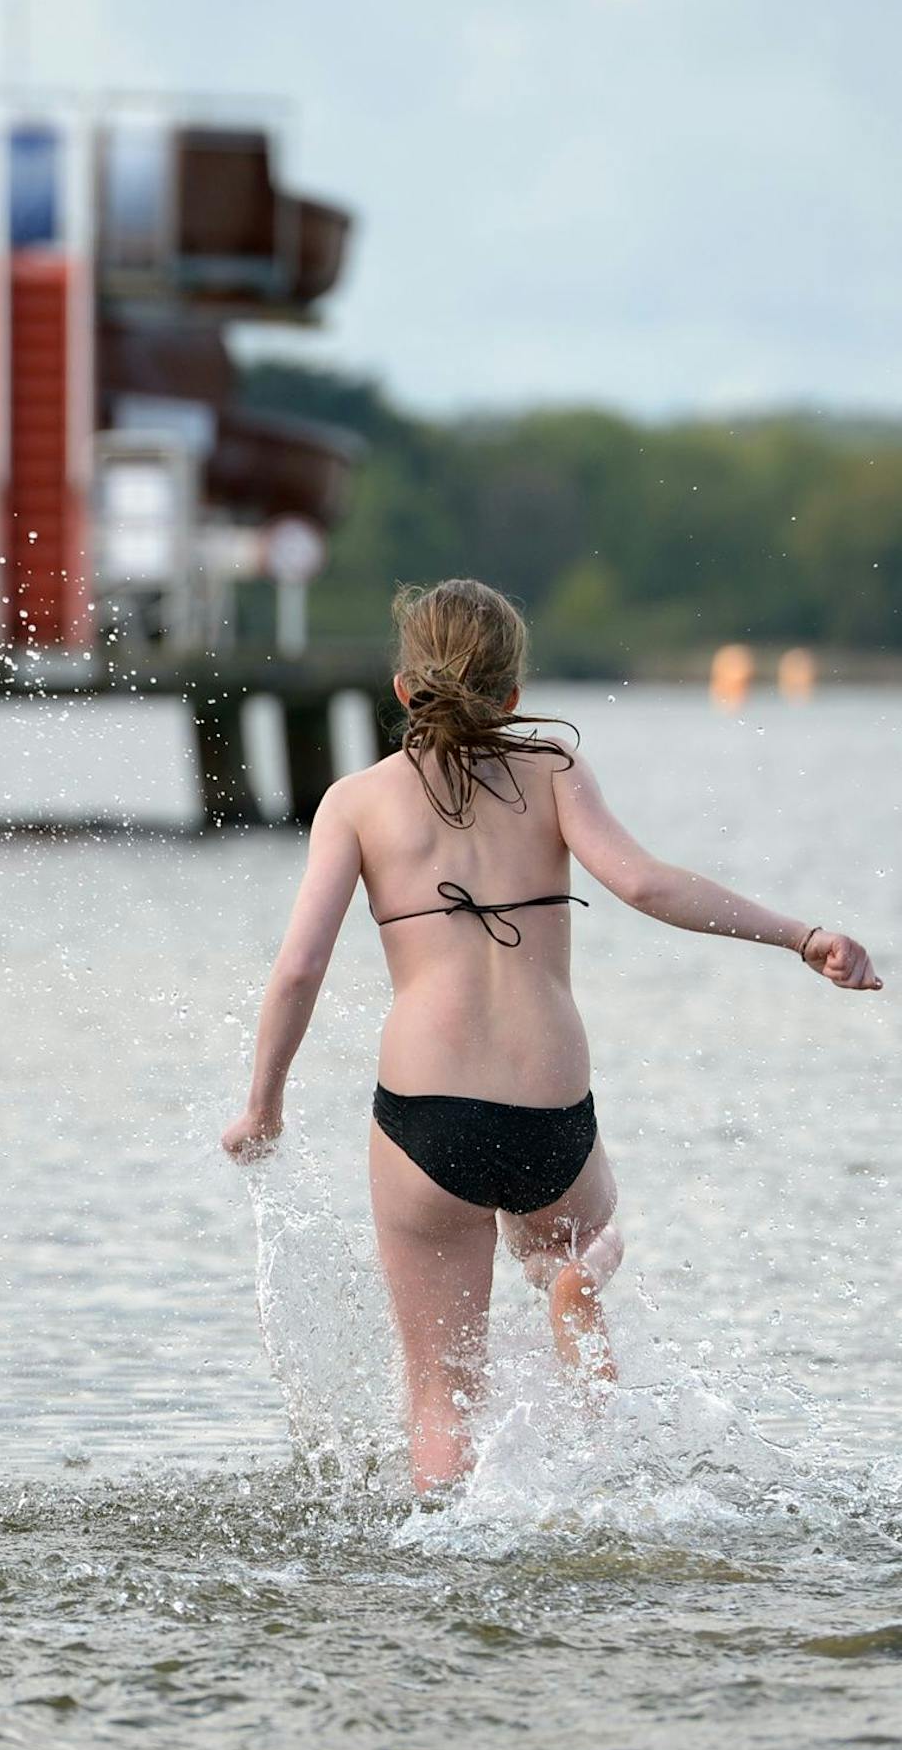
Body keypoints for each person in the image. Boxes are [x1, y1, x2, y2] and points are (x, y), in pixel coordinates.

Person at [220, 579, 879, 1493]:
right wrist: (803, 936)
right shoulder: (553, 772)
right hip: (550, 1112)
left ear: (406, 690)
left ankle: (443, 1579)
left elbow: (298, 969)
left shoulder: (356, 802)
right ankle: (580, 1288)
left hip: (425, 1124)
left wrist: (263, 1105)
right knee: (580, 1247)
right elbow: (647, 886)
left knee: (439, 1396)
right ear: (514, 699)